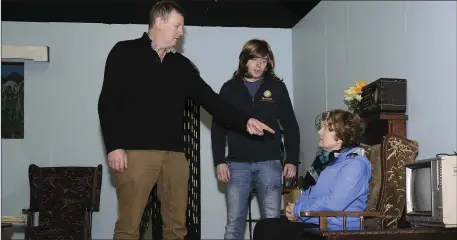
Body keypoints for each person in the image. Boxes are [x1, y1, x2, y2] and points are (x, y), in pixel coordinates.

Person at [97, 1, 275, 239]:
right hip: (135, 154)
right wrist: (114, 145)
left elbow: (211, 99)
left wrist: (245, 121)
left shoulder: (180, 65)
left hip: (175, 157)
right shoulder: (124, 51)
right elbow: (108, 102)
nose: (181, 32)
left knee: (176, 228)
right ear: (159, 22)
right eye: (178, 26)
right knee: (128, 228)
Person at [211, 39, 300, 239]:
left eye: (264, 61)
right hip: (236, 165)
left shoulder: (277, 87)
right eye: (254, 59)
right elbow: (217, 128)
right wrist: (219, 162)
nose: (259, 65)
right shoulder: (229, 88)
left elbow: (291, 126)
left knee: (272, 224)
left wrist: (292, 160)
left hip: (270, 163)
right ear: (245, 60)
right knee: (234, 223)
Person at [253, 109, 372, 240]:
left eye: (326, 129)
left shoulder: (355, 164)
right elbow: (308, 192)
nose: (320, 132)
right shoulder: (325, 161)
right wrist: (294, 211)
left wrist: (298, 210)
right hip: (314, 222)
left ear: (340, 137)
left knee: (274, 232)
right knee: (264, 226)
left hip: (336, 230)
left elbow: (334, 203)